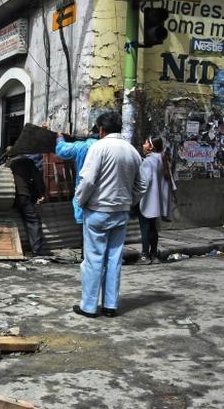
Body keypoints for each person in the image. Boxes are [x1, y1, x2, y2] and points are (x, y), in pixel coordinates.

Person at [74, 112, 147, 318]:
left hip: (98, 211)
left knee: (94, 259)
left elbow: (87, 181)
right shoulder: (132, 151)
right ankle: (110, 306)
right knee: (114, 259)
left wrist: (81, 201)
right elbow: (142, 184)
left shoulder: (98, 147)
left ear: (101, 130)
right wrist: (129, 201)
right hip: (121, 212)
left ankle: (88, 306)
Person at [137, 136, 174, 264]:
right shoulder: (163, 159)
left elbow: (144, 183)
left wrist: (134, 197)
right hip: (158, 202)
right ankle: (154, 255)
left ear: (151, 147)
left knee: (145, 228)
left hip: (147, 200)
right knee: (153, 228)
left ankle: (144, 256)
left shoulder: (148, 161)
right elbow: (171, 183)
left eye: (146, 143)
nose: (143, 145)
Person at [55, 125, 100, 225]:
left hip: (86, 202)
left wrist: (59, 136)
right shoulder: (116, 148)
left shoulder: (81, 146)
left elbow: (62, 150)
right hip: (110, 204)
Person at [6, 153, 46, 255]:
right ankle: (36, 250)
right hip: (22, 195)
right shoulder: (28, 162)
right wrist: (41, 193)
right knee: (33, 220)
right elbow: (37, 178)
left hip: (10, 196)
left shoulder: (8, 163)